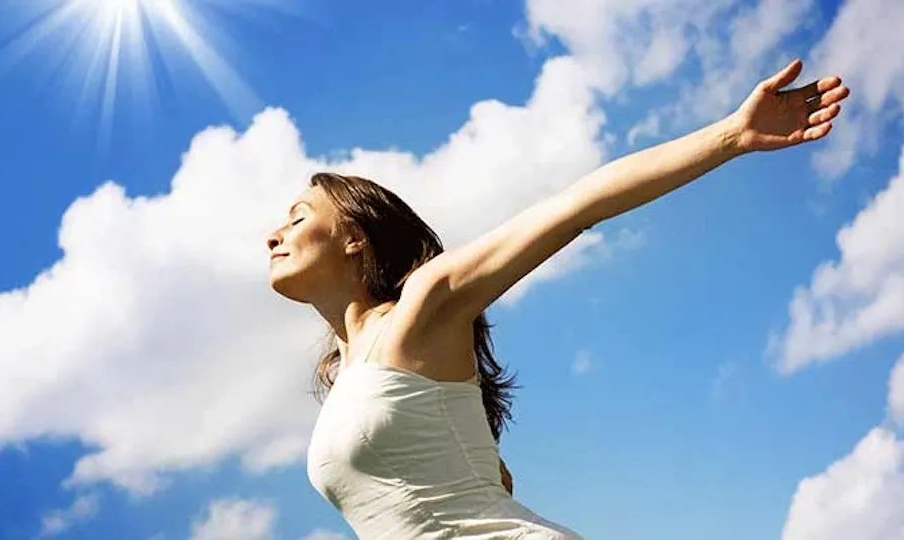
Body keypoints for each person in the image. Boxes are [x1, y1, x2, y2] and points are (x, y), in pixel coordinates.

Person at [266, 59, 849, 539]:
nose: (275, 235)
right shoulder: (348, 379)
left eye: (297, 218)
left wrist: (731, 136)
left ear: (354, 238)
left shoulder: (422, 308)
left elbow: (576, 207)